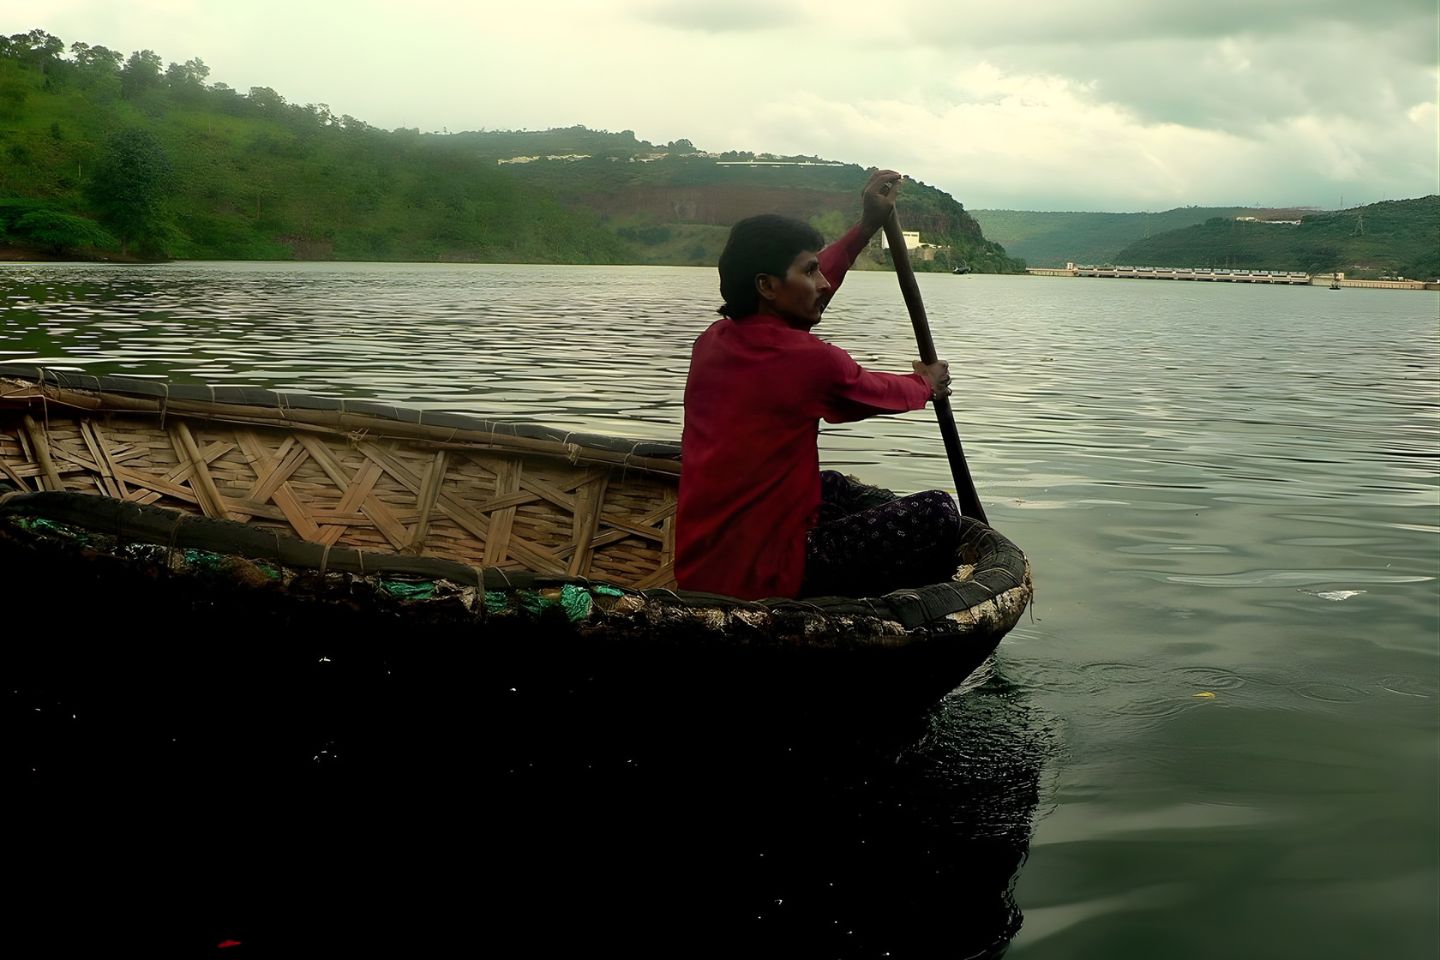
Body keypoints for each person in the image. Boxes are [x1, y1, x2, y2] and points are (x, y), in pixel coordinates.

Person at [675, 169, 963, 601]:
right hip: (765, 575)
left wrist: (866, 226)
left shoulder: (713, 341)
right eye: (810, 272)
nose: (824, 283)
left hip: (702, 568)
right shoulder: (808, 360)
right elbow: (875, 391)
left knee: (832, 486)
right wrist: (926, 383)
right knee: (937, 512)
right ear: (767, 286)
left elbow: (813, 284)